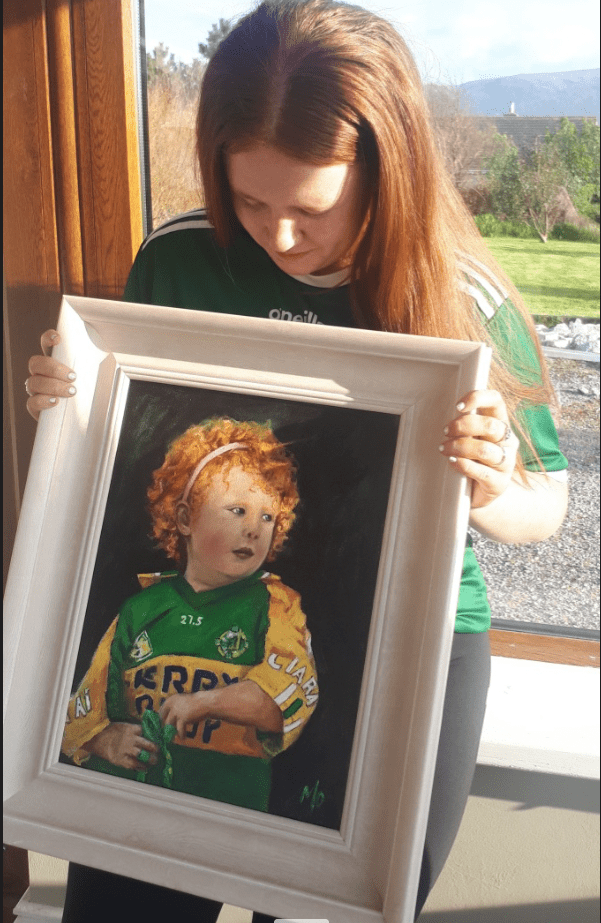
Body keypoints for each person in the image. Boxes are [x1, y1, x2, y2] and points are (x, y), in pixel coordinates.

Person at [24, 1, 568, 919]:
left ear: (383, 172)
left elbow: (543, 509)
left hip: (415, 643)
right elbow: (117, 454)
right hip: (174, 633)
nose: (278, 237)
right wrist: (65, 407)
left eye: (310, 208)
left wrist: (492, 483)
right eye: (249, 199)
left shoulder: (461, 292)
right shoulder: (181, 260)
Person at [62, 417, 318, 812]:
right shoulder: (141, 608)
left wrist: (204, 702)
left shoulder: (275, 606)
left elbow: (279, 701)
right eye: (237, 510)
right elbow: (82, 711)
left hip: (227, 817)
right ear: (184, 519)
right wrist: (104, 739)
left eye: (267, 517)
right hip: (127, 813)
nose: (254, 528)